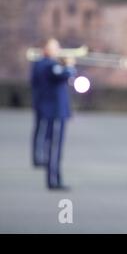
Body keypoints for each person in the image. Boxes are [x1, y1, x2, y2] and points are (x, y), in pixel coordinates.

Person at [33, 38, 76, 190]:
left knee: (55, 146)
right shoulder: (49, 64)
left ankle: (56, 178)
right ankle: (53, 179)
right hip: (55, 110)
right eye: (55, 47)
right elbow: (64, 75)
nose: (58, 50)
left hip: (55, 109)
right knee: (54, 146)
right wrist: (70, 65)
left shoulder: (50, 64)